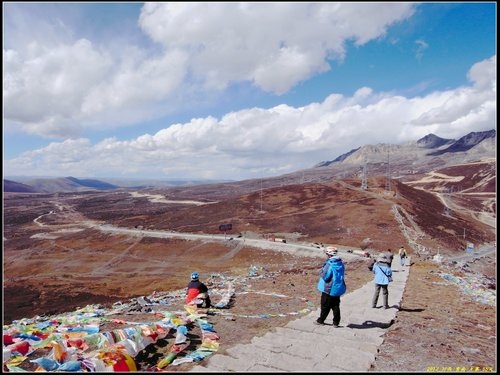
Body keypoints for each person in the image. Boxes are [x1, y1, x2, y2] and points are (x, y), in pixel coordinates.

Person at [315, 247, 346, 327]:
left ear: (329, 255)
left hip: (328, 288)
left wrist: (321, 272)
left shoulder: (330, 264)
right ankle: (336, 322)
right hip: (337, 287)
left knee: (325, 305)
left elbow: (326, 277)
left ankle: (320, 320)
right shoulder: (340, 263)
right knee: (335, 305)